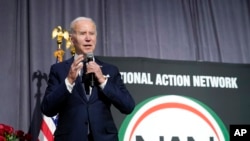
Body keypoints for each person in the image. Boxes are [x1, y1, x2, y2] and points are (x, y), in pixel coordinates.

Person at [41, 17, 135, 141]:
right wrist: (68, 81)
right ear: (71, 38)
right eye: (82, 33)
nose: (88, 38)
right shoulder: (59, 70)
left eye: (91, 33)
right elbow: (47, 109)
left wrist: (102, 80)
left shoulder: (110, 70)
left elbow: (128, 106)